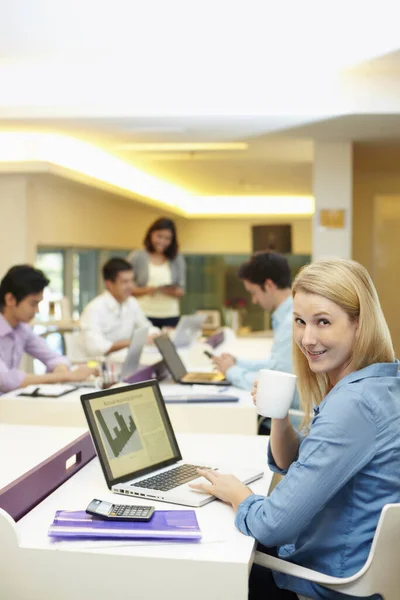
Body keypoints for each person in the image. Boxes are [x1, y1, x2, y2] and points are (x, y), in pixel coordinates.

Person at [191, 258, 400, 600]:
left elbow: (272, 526)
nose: (307, 338)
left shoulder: (353, 404)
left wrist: (235, 493)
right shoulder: (381, 381)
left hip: (328, 582)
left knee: (207, 569)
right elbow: (299, 462)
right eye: (300, 322)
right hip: (351, 568)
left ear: (359, 324)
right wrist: (278, 414)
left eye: (323, 322)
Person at [0, 265, 95, 394]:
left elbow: (53, 357)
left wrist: (60, 368)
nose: (37, 310)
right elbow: (5, 381)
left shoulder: (22, 328)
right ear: (10, 299)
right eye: (33, 304)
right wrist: (66, 376)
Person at [212, 251, 294, 391]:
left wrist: (231, 371)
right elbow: (275, 365)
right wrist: (237, 363)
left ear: (269, 285)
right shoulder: (287, 317)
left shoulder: (290, 323)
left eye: (253, 292)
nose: (254, 301)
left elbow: (276, 384)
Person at [79, 258, 160, 357]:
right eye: (125, 282)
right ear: (109, 284)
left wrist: (156, 334)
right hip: (101, 364)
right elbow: (96, 348)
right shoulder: (94, 309)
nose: (131, 286)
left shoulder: (131, 303)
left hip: (125, 359)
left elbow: (146, 327)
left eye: (132, 280)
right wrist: (134, 342)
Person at [127, 217, 186, 329]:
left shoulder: (177, 258)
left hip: (170, 315)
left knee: (168, 345)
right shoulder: (137, 256)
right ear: (151, 235)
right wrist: (148, 290)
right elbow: (127, 287)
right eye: (159, 236)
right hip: (143, 314)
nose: (162, 241)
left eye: (167, 238)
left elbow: (181, 291)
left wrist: (165, 290)